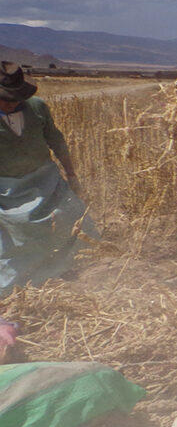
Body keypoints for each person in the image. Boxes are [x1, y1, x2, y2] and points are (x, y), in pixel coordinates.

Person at [0, 61, 96, 295]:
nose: (12, 103)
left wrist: (71, 174)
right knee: (17, 230)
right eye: (5, 98)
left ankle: (87, 263)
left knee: (73, 213)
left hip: (46, 178)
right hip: (8, 188)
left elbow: (56, 140)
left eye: (16, 98)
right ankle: (19, 278)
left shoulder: (37, 107)